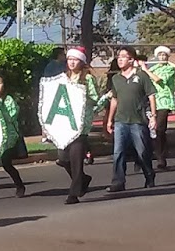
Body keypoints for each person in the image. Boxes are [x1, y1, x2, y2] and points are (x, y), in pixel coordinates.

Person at [105, 45, 157, 192]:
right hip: (120, 120)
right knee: (118, 152)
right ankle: (118, 182)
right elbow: (114, 99)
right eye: (119, 57)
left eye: (123, 57)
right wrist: (110, 119)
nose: (120, 59)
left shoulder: (141, 76)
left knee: (142, 151)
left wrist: (153, 117)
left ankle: (149, 175)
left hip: (138, 120)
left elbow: (151, 96)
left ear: (131, 59)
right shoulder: (116, 79)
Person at [58, 48, 98, 204]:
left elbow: (95, 98)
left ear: (81, 62)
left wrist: (82, 95)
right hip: (65, 125)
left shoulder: (87, 79)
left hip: (80, 125)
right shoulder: (63, 78)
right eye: (69, 59)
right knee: (63, 159)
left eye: (75, 59)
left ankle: (73, 194)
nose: (72, 62)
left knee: (76, 160)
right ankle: (83, 179)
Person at [145, 46, 175, 170]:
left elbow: (159, 80)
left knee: (159, 129)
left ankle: (161, 157)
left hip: (164, 102)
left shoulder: (170, 69)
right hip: (152, 101)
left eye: (164, 55)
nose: (162, 57)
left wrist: (146, 70)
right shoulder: (154, 68)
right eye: (160, 55)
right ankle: (153, 153)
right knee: (151, 130)